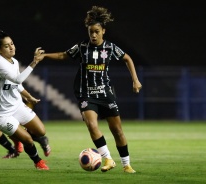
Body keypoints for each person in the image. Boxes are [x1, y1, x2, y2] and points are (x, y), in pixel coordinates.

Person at [37, 6, 142, 173]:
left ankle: (126, 164)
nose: (93, 35)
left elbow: (127, 58)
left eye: (96, 31)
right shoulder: (82, 47)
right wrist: (45, 55)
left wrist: (135, 80)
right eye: (90, 31)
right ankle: (108, 158)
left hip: (106, 93)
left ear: (103, 31)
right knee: (92, 125)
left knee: (117, 130)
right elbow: (64, 54)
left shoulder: (110, 48)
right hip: (86, 94)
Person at [0, 30, 50, 170]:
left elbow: (17, 84)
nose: (11, 47)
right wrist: (34, 62)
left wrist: (28, 96)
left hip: (16, 105)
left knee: (41, 131)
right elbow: (17, 79)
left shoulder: (13, 62)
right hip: (0, 113)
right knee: (27, 139)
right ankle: (38, 162)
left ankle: (35, 137)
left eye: (12, 44)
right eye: (6, 46)